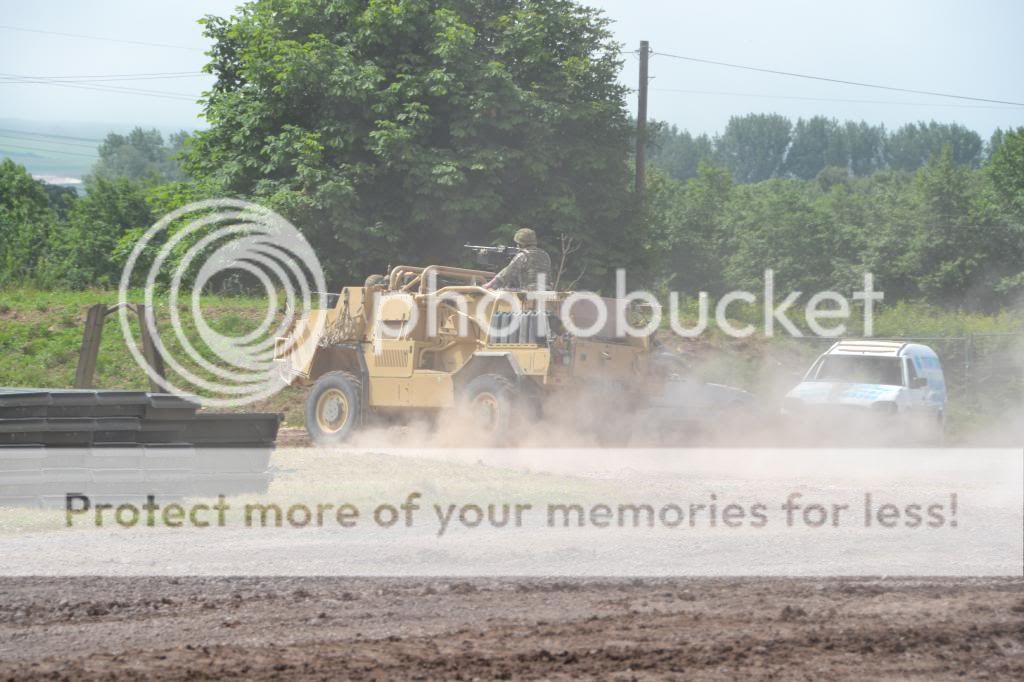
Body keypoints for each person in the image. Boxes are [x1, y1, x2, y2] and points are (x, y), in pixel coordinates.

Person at [483, 227, 552, 291]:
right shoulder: (545, 255)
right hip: (547, 292)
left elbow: (505, 275)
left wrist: (488, 285)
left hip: (529, 293)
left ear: (520, 244)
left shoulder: (523, 255)